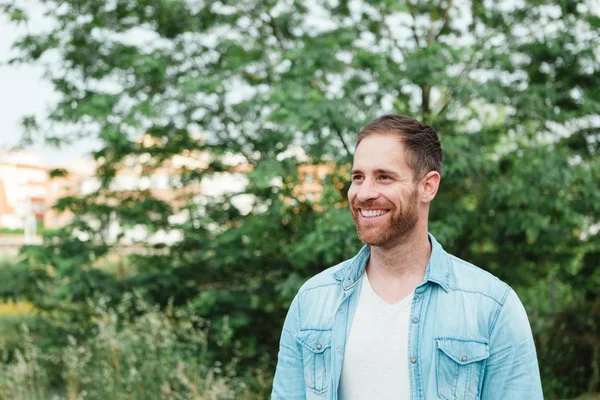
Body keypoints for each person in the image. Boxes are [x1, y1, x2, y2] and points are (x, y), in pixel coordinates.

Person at [271, 114, 543, 400]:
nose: (364, 193)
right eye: (358, 177)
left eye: (384, 177)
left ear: (428, 186)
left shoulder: (492, 306)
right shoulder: (312, 301)